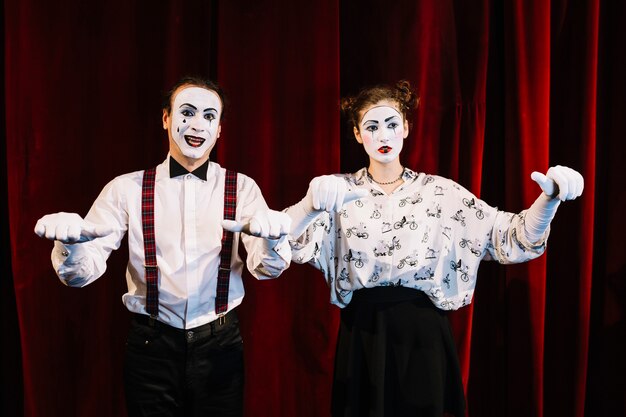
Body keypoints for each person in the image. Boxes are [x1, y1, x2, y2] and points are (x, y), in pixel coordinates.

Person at [285, 80, 584, 417]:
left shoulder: (440, 194)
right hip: (364, 336)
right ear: (357, 134)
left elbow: (513, 238)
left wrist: (549, 200)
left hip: (423, 336)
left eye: (392, 124)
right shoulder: (337, 192)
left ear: (406, 128)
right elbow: (287, 242)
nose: (383, 136)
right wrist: (309, 205)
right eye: (372, 126)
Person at [34, 76, 292, 417]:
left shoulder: (242, 188)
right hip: (150, 347)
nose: (197, 124)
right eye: (186, 113)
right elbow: (81, 273)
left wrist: (274, 241)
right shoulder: (126, 189)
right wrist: (70, 246)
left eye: (209, 116)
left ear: (218, 131)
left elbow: (265, 268)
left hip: (220, 345)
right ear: (166, 119)